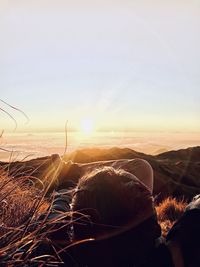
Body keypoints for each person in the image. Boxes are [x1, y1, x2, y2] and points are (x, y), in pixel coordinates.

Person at [70, 160, 173, 266]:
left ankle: (72, 168)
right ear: (155, 229)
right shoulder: (168, 254)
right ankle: (74, 167)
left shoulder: (67, 254)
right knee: (143, 166)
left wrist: (64, 187)